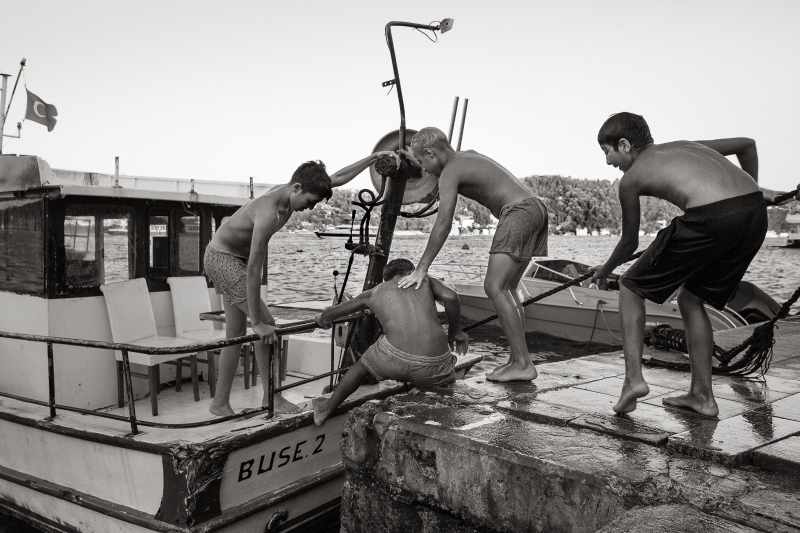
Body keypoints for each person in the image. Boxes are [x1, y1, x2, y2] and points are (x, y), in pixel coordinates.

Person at [591, 112, 768, 416]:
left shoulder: (629, 180)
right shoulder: (687, 145)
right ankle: (702, 396)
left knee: (630, 287)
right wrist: (750, 191)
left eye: (607, 152)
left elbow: (629, 243)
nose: (608, 162)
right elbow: (747, 145)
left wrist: (604, 270)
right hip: (754, 213)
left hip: (712, 216)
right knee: (690, 299)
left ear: (624, 144)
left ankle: (633, 380)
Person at [206, 151, 398, 416]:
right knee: (268, 326)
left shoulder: (293, 193)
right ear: (296, 188)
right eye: (310, 201)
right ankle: (271, 397)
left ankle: (219, 403)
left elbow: (338, 178)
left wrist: (373, 157)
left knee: (236, 334)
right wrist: (259, 323)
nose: (311, 207)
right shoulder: (269, 212)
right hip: (225, 259)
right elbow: (254, 269)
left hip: (224, 256)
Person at [396, 127, 547, 382]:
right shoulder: (467, 156)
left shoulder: (449, 173)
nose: (425, 171)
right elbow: (440, 162)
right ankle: (518, 359)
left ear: (431, 153)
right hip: (535, 208)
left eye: (423, 163)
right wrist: (416, 157)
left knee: (494, 287)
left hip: (517, 213)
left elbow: (443, 223)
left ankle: (523, 363)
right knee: (508, 288)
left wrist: (421, 268)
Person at [312, 258, 469, 426]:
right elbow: (451, 296)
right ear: (411, 272)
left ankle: (325, 409)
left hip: (392, 358)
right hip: (433, 364)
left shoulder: (374, 292)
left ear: (386, 279)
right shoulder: (425, 281)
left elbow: (329, 315)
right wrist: (455, 332)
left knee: (361, 367)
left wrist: (322, 319)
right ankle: (446, 421)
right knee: (446, 381)